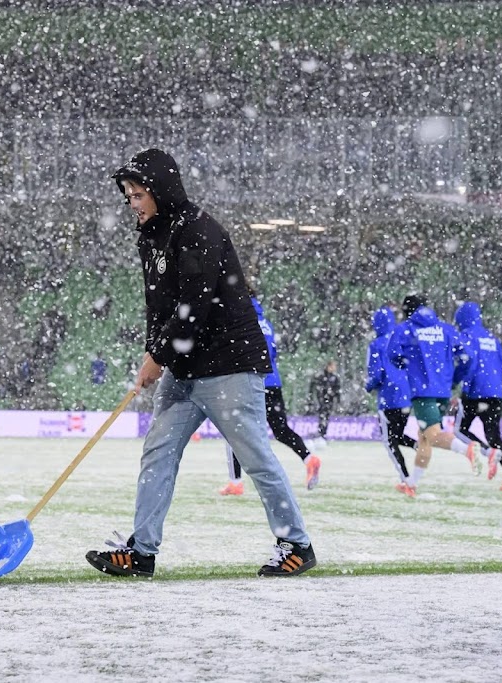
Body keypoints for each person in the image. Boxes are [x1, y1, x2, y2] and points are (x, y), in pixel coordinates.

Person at [85, 148, 316, 578]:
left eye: (137, 195)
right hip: (185, 367)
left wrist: (160, 355)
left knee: (254, 456)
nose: (132, 204)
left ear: (161, 190)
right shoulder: (151, 235)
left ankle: (297, 544)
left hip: (229, 364)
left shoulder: (198, 231)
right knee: (158, 451)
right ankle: (142, 552)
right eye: (128, 197)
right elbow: (162, 307)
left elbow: (195, 304)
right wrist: (154, 351)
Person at [220, 288, 321, 495]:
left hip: (251, 381)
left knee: (233, 430)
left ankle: (236, 482)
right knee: (281, 429)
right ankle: (309, 458)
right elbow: (272, 352)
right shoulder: (266, 323)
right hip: (273, 381)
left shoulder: (242, 321)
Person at [387, 294, 479, 494]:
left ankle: (467, 449)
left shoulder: (406, 329)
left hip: (422, 391)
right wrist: (454, 378)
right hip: (442, 392)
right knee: (424, 438)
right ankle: (411, 483)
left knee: (432, 435)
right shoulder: (445, 329)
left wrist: (406, 366)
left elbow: (392, 354)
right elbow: (467, 356)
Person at [452, 302, 502, 490]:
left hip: (476, 391)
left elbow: (468, 362)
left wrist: (460, 385)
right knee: (494, 434)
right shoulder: (492, 339)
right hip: (495, 392)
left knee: (459, 430)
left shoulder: (466, 336)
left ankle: (488, 452)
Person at [365, 306, 419, 496]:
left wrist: (369, 385)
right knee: (397, 436)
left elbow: (376, 373)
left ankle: (406, 480)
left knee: (389, 442)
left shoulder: (376, 345)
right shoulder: (402, 340)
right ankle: (419, 446)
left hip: (389, 398)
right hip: (406, 397)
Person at [310, 360, 341, 445]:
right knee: (322, 417)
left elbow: (337, 390)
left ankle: (323, 435)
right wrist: (313, 399)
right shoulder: (320, 376)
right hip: (320, 401)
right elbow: (313, 387)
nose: (335, 368)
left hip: (329, 402)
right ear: (329, 366)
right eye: (333, 366)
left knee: (326, 418)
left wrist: (337, 400)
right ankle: (320, 434)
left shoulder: (335, 377)